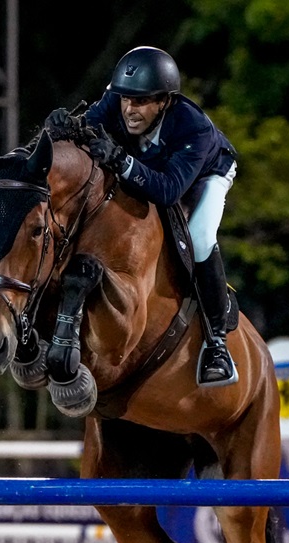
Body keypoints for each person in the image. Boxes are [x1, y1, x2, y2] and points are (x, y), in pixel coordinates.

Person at [45, 46, 240, 387]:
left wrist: (121, 160)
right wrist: (63, 129)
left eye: (142, 102)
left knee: (199, 238)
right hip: (153, 167)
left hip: (206, 174)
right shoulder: (115, 101)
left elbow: (168, 191)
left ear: (164, 101)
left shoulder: (193, 128)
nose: (130, 110)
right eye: (126, 100)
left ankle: (217, 345)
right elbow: (87, 131)